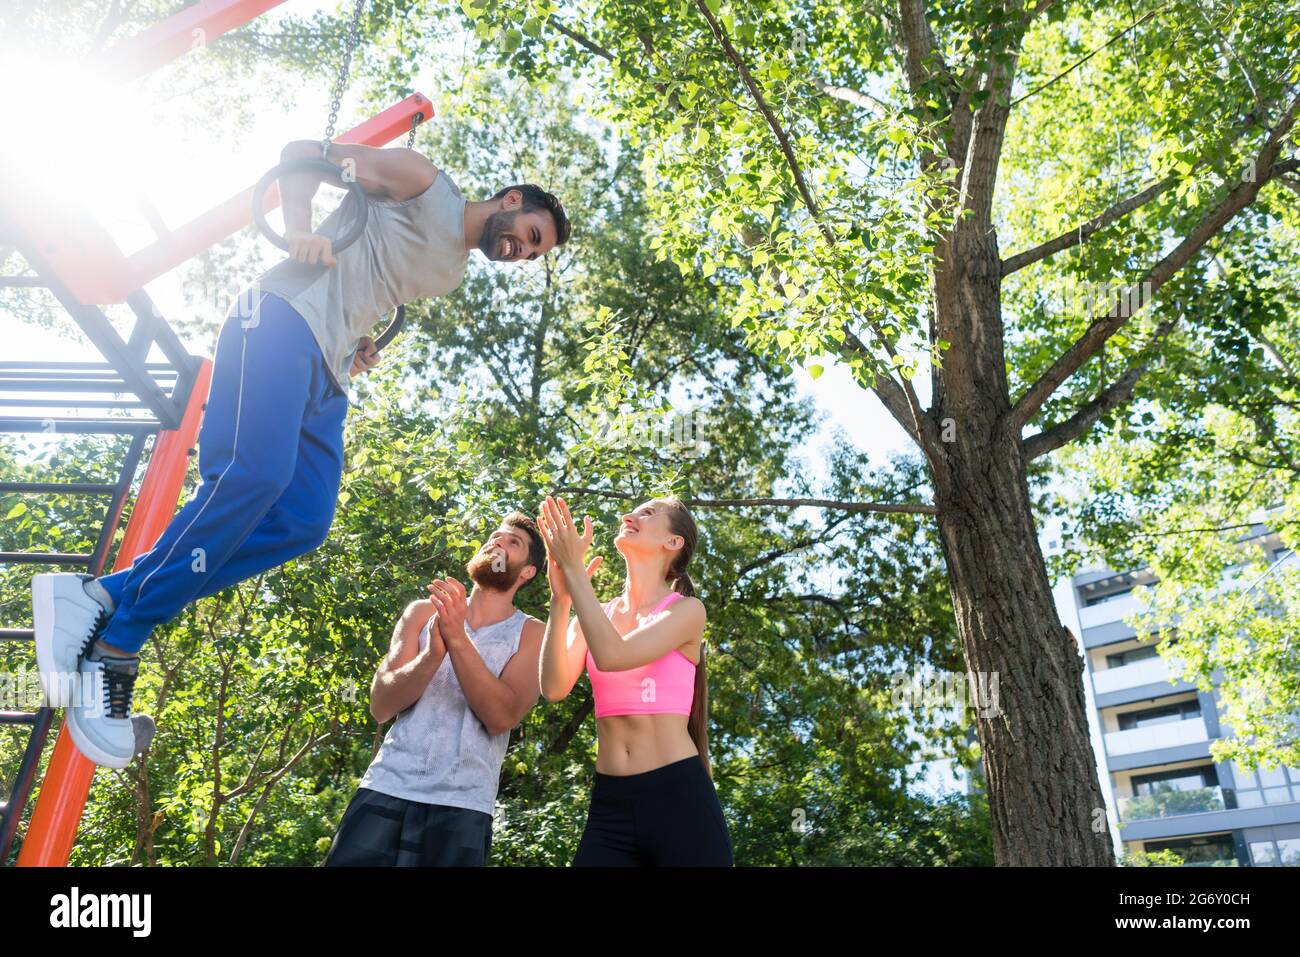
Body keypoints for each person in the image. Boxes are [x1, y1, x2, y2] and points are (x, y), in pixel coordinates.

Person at [31, 140, 570, 769]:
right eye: (530, 234)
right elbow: (303, 155)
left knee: (303, 521)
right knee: (253, 477)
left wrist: (360, 339)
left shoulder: (451, 269)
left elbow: (367, 268)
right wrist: (297, 229)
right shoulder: (426, 182)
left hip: (329, 364)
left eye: (533, 253)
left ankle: (105, 596)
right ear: (513, 200)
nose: (522, 251)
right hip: (282, 318)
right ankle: (117, 643)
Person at [324, 512, 545, 867]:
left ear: (526, 572)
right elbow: (380, 706)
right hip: (385, 787)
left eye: (513, 542)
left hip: (463, 806)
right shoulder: (421, 612)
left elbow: (501, 717)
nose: (498, 542)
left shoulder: (534, 634)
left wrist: (457, 639)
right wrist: (432, 654)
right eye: (495, 535)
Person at [536, 494, 733, 866]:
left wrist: (575, 570)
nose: (629, 514)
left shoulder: (687, 611)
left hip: (679, 799)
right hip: (611, 804)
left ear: (673, 543)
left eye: (647, 512)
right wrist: (561, 600)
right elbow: (553, 687)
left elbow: (615, 656)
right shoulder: (596, 619)